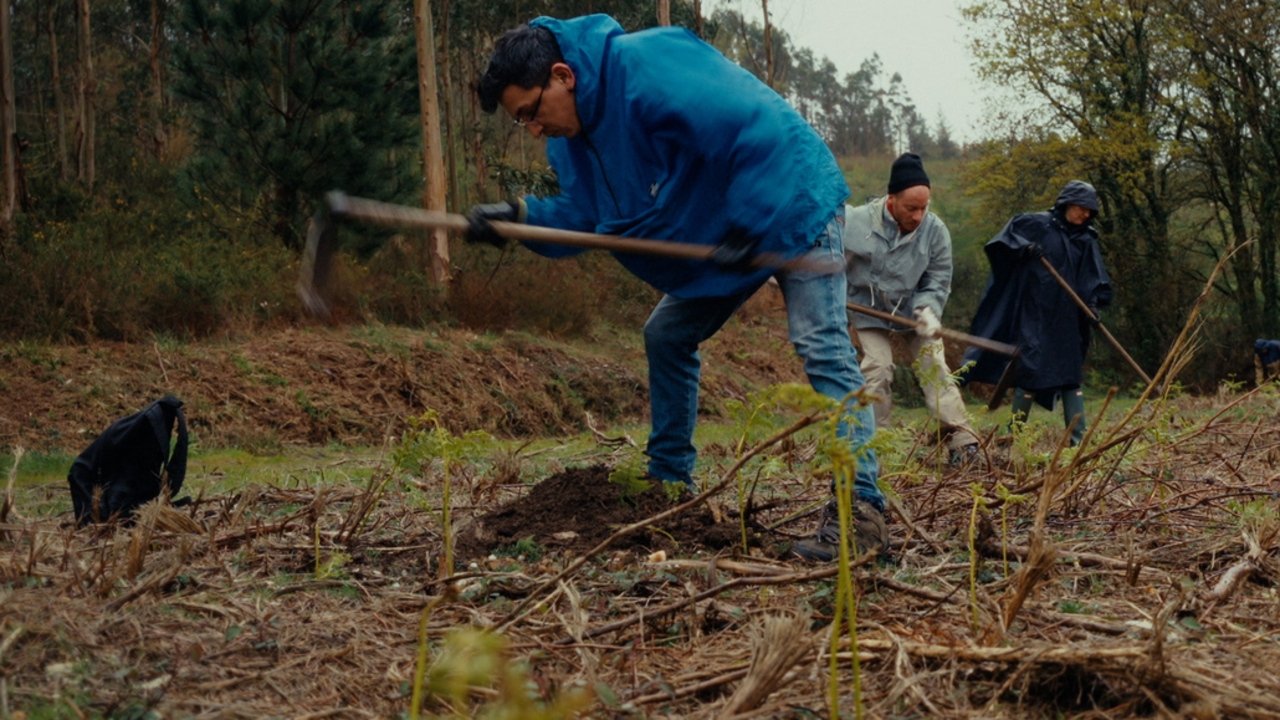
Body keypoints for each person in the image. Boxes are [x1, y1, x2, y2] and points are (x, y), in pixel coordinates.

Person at [469, 14, 886, 560]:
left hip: (792, 202)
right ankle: (668, 486)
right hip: (726, 235)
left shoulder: (646, 65)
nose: (534, 129)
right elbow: (584, 216)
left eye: (531, 112)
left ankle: (862, 518)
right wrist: (518, 219)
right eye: (521, 121)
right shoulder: (572, 142)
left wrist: (753, 215)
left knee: (821, 345)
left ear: (562, 75)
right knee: (666, 334)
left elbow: (754, 125)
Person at [844, 153, 981, 466]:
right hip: (868, 308)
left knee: (934, 367)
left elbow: (938, 280)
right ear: (891, 199)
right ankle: (876, 445)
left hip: (912, 311)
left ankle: (963, 443)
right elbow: (822, 247)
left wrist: (928, 310)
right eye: (911, 208)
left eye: (924, 207)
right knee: (878, 369)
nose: (919, 215)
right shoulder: (856, 222)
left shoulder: (935, 232)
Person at [963, 180, 1112, 446]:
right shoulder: (1036, 225)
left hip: (1069, 318)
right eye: (1082, 208)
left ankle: (1077, 442)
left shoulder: (1086, 239)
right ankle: (1016, 434)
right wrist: (1023, 248)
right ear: (1067, 204)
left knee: (1070, 375)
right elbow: (1002, 242)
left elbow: (1094, 276)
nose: (1086, 215)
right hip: (1034, 312)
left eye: (1090, 211)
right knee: (1030, 369)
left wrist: (1092, 305)